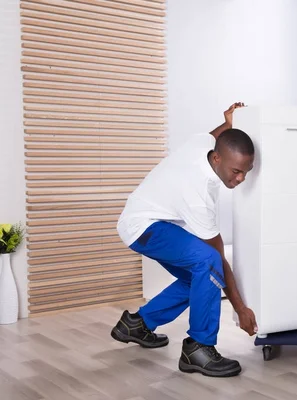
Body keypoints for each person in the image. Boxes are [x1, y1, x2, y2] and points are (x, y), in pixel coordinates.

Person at [111, 103, 257, 378]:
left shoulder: (202, 144)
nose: (241, 178)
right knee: (209, 262)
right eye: (236, 171)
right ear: (216, 160)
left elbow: (215, 136)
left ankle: (138, 324)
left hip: (147, 218)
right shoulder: (198, 193)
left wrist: (228, 123)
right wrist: (241, 309)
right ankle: (198, 348)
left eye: (247, 171)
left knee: (198, 278)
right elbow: (218, 259)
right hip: (144, 226)